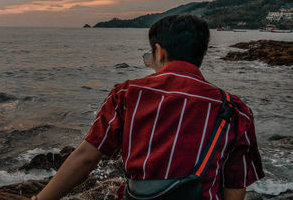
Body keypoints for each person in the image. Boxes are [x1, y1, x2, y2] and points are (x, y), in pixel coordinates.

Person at [32, 14, 264, 200]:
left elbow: (86, 158)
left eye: (149, 55)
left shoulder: (127, 94)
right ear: (200, 54)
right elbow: (235, 182)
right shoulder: (235, 109)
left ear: (159, 52)